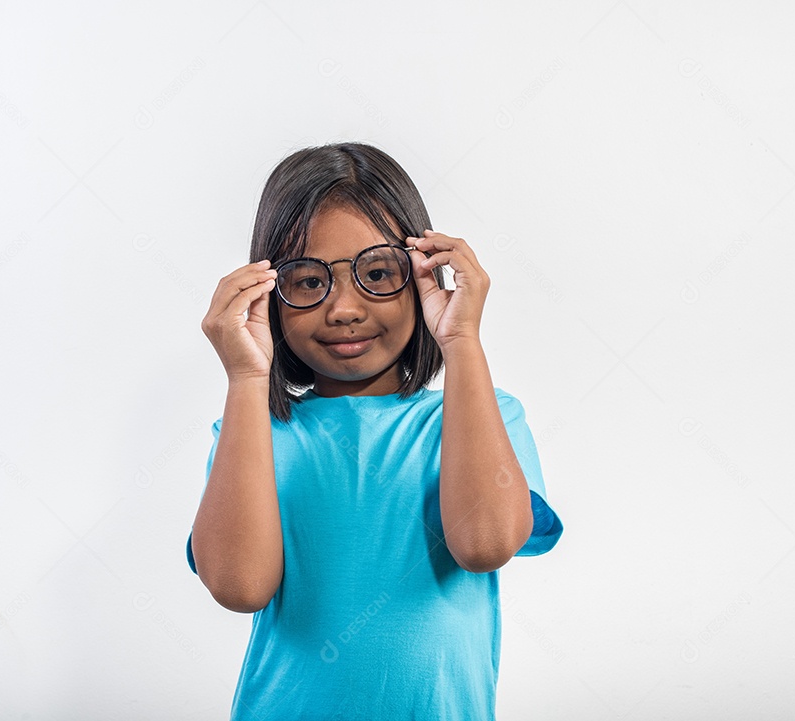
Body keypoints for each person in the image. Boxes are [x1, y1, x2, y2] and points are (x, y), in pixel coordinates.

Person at [186, 141, 563, 720]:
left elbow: (485, 544)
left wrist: (461, 342)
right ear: (269, 296)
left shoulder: (482, 416)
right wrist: (244, 378)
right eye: (308, 281)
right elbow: (239, 586)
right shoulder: (254, 434)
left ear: (422, 277)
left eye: (378, 273)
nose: (342, 309)